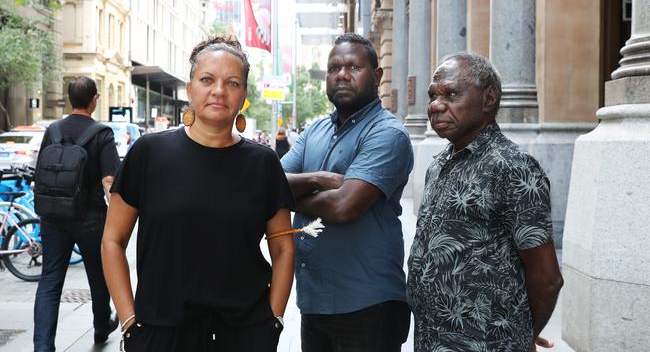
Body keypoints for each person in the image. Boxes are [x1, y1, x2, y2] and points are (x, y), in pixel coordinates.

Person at [101, 34, 295, 352]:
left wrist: (274, 321)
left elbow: (284, 248)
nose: (219, 90)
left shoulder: (263, 163)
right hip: (161, 333)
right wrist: (128, 322)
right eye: (207, 79)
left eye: (232, 83)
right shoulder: (149, 153)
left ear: (243, 95)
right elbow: (112, 240)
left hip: (244, 334)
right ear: (190, 89)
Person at [406, 52, 563, 351]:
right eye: (432, 96)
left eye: (451, 94)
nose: (436, 106)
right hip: (431, 340)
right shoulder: (438, 164)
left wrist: (523, 333)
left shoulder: (513, 166)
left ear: (488, 98)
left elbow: (547, 277)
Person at [281, 33, 413, 352]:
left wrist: (293, 193)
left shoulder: (388, 134)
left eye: (353, 66)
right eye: (333, 68)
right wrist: (321, 178)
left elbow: (344, 207)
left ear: (377, 76)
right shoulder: (315, 130)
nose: (341, 74)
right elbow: (270, 182)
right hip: (315, 302)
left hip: (368, 305)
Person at [33, 76, 120, 351]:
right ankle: (100, 328)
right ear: (94, 99)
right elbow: (110, 182)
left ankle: (43, 346)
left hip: (53, 217)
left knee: (50, 280)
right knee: (98, 275)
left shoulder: (53, 130)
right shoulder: (102, 133)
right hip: (90, 218)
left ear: (71, 99)